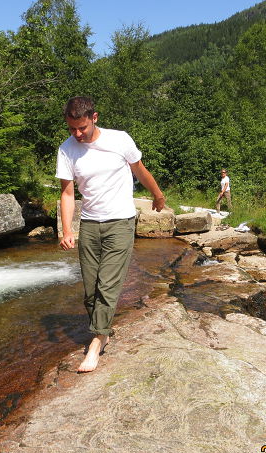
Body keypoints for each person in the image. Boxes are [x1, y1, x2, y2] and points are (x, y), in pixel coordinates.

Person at [58, 96, 165, 373]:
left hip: (120, 221)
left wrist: (158, 195)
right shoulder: (67, 150)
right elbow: (67, 192)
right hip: (90, 224)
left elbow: (139, 171)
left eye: (81, 128)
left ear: (94, 117)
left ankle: (97, 341)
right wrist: (67, 230)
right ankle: (102, 328)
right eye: (72, 129)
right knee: (90, 289)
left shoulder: (120, 140)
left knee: (108, 284)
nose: (77, 134)